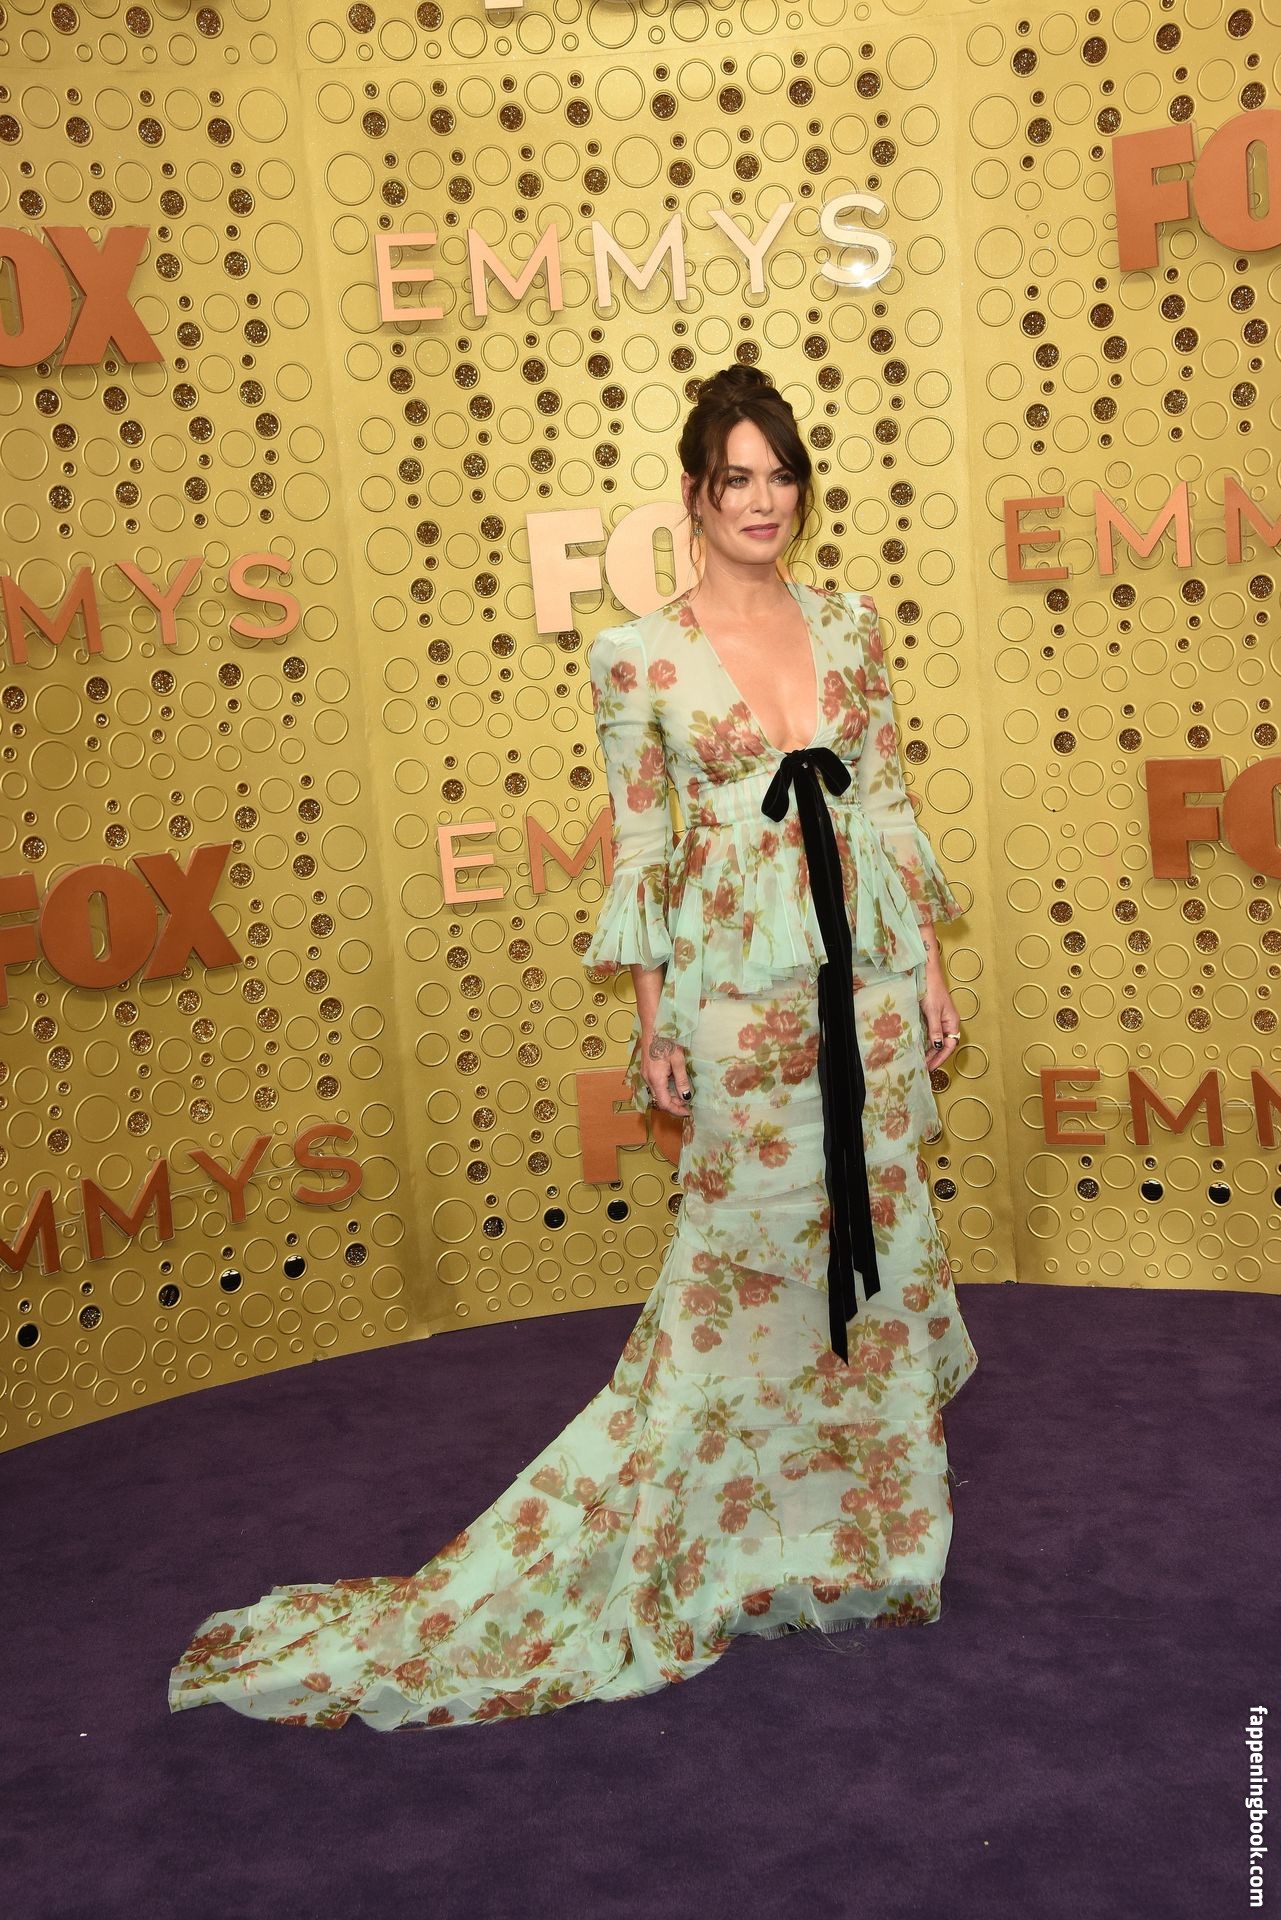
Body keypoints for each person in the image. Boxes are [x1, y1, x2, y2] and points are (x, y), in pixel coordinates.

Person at [166, 363, 978, 1732]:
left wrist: (933, 970)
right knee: (744, 1262)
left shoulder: (850, 624)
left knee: (876, 1242)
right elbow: (646, 848)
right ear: (694, 496)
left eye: (781, 476)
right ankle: (713, 1535)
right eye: (737, 479)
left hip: (872, 990)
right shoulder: (637, 656)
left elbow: (887, 806)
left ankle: (873, 1538)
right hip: (737, 1001)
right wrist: (654, 1022)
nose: (763, 501)